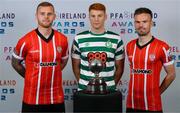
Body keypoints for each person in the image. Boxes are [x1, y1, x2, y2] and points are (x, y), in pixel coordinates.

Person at [11, 1, 68, 113]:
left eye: (49, 14)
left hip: (56, 98)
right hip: (32, 98)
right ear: (36, 16)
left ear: (54, 16)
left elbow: (63, 62)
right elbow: (15, 63)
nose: (46, 17)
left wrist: (52, 72)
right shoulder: (25, 41)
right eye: (42, 13)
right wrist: (29, 76)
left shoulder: (63, 39)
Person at [126, 7, 176, 112]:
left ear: (151, 23)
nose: (141, 25)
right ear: (134, 24)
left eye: (145, 21)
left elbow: (171, 74)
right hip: (131, 104)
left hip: (152, 105)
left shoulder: (162, 46)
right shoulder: (129, 46)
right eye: (137, 22)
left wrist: (158, 92)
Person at [71, 3, 125, 91]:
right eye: (93, 16)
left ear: (105, 17)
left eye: (99, 16)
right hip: (85, 91)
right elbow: (75, 67)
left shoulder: (116, 39)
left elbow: (120, 68)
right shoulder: (79, 38)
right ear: (89, 17)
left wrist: (110, 86)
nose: (96, 19)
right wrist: (85, 85)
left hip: (108, 91)